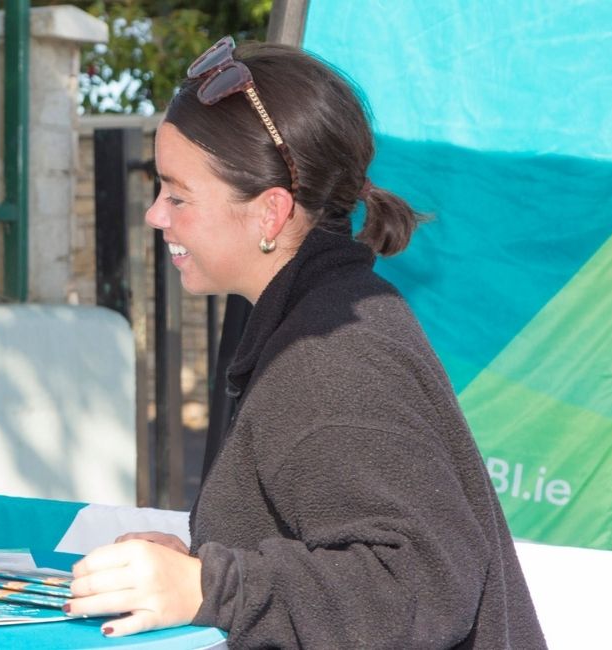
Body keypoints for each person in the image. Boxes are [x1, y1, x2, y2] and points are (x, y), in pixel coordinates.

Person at [65, 37, 545, 648]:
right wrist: (197, 564)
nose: (157, 216)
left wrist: (210, 586)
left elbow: (423, 581)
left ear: (270, 213)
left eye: (178, 194)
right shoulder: (322, 313)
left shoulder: (326, 355)